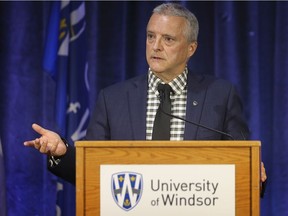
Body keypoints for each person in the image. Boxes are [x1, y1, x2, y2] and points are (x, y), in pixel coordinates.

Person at [24, 3, 267, 186]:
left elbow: (244, 163)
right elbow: (92, 163)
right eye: (151, 36)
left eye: (168, 39)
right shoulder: (113, 99)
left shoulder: (219, 96)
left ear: (191, 48)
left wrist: (255, 175)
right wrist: (63, 150)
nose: (156, 46)